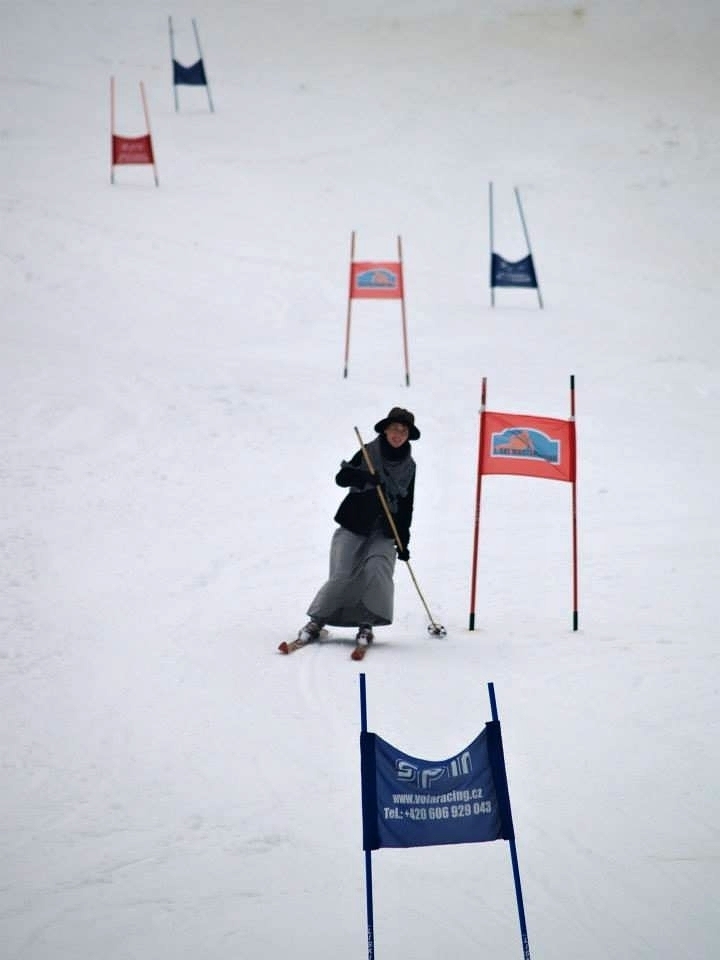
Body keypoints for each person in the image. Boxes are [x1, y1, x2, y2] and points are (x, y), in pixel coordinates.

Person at [296, 407, 420, 646]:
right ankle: (316, 621)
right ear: (385, 430)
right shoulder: (368, 452)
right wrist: (364, 477)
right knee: (343, 574)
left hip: (385, 528)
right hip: (355, 522)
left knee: (378, 569)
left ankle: (366, 623)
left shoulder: (410, 466)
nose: (398, 435)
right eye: (394, 429)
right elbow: (341, 479)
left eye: (404, 431)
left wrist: (403, 540)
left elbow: (407, 505)